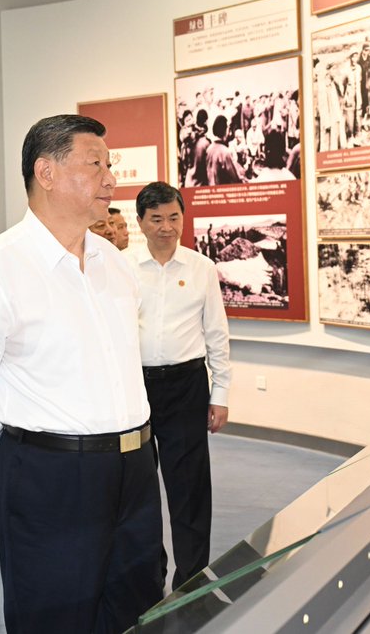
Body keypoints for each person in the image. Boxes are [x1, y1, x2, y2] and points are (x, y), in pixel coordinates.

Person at [0, 115, 163, 634]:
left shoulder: (113, 261)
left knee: (136, 606)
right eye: (95, 165)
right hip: (51, 476)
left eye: (109, 166)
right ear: (46, 172)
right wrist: (25, 456)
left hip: (134, 470)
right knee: (55, 614)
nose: (110, 180)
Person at [127, 181, 231, 591]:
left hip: (187, 385)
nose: (166, 227)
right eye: (156, 219)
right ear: (141, 222)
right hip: (135, 387)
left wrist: (219, 394)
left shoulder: (201, 268)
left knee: (189, 489)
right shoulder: (122, 266)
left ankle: (191, 581)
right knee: (140, 489)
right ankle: (149, 575)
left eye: (173, 217)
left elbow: (216, 334)